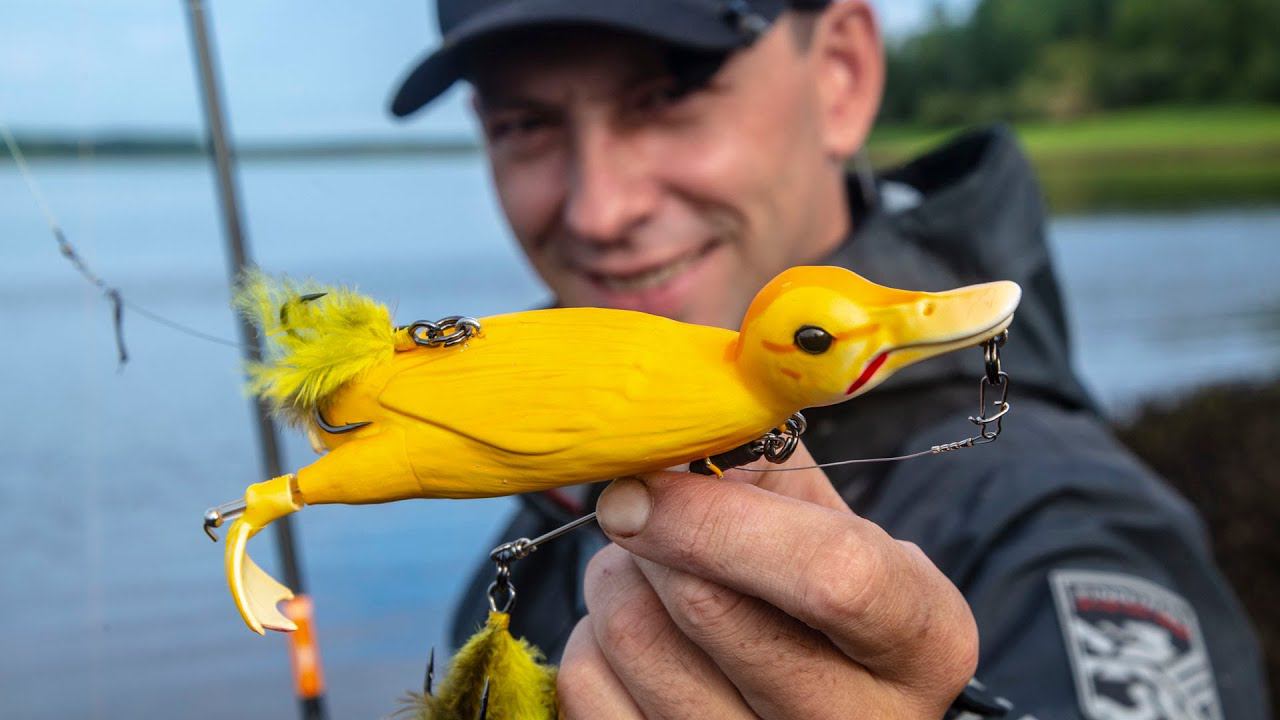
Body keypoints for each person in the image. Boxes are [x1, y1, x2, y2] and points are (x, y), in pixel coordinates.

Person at [389, 1, 1270, 717]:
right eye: (523, 123)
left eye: (665, 97)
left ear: (841, 75)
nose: (598, 209)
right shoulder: (549, 446)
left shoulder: (1062, 523)